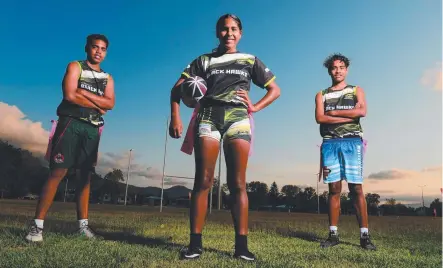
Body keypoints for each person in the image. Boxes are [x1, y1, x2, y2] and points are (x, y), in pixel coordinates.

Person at [169, 14, 281, 261]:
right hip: (208, 117)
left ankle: (241, 247)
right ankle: (195, 245)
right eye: (223, 29)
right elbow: (176, 89)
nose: (229, 33)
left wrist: (255, 107)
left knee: (237, 183)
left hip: (238, 119)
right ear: (217, 32)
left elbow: (275, 89)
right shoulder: (203, 61)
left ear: (240, 33)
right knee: (204, 181)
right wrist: (175, 116)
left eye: (233, 29)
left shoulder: (249, 60)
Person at [25, 34, 115, 242]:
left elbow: (110, 104)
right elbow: (70, 95)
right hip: (70, 122)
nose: (98, 52)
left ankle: (82, 227)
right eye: (95, 47)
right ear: (87, 48)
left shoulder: (108, 78)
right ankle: (36, 227)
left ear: (106, 52)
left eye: (103, 49)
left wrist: (84, 93)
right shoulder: (76, 66)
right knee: (58, 172)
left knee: (85, 178)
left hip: (92, 129)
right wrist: (98, 103)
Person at [315, 53, 376, 250]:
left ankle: (364, 236)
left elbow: (362, 112)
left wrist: (333, 113)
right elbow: (320, 118)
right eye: (334, 68)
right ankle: (333, 234)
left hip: (352, 142)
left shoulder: (356, 90)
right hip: (330, 143)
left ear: (347, 69)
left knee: (356, 188)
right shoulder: (321, 94)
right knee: (334, 190)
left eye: (341, 67)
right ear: (329, 71)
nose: (338, 71)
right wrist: (348, 116)